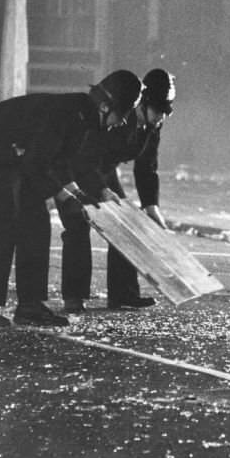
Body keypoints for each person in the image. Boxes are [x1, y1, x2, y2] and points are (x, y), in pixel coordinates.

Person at [0, 70, 144, 329]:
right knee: (4, 228)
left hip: (16, 158)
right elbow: (38, 163)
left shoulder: (83, 118)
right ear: (105, 105)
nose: (122, 123)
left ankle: (30, 306)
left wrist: (95, 192)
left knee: (36, 224)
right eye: (121, 114)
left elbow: (66, 161)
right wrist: (66, 195)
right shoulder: (68, 114)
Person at [60, 68, 177, 313]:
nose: (160, 119)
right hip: (76, 165)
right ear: (142, 104)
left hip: (104, 168)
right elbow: (85, 158)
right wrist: (100, 191)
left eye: (165, 113)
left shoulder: (152, 124)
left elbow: (147, 166)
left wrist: (150, 205)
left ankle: (123, 293)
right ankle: (74, 295)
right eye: (158, 111)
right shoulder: (121, 113)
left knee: (123, 222)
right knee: (78, 223)